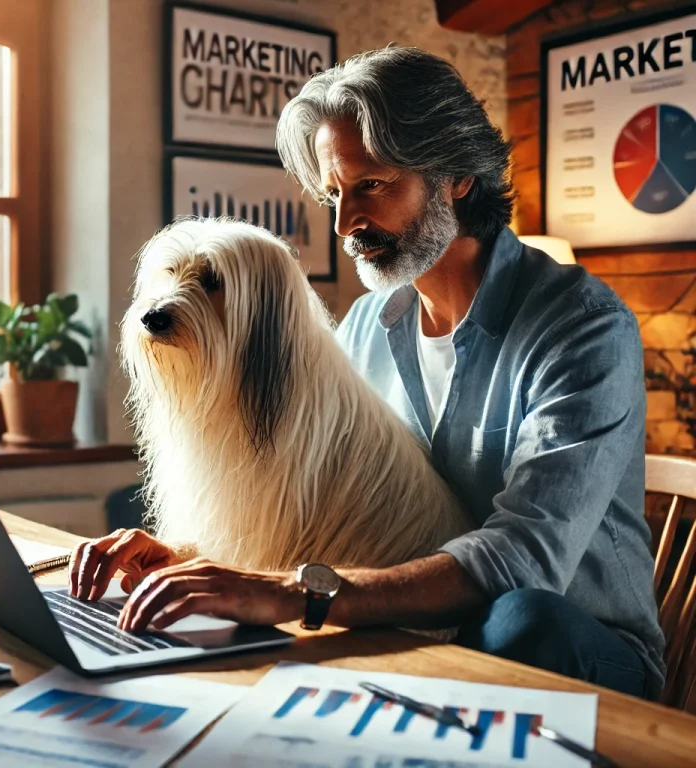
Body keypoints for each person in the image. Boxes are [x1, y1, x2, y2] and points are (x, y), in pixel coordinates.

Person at [70, 47, 665, 701]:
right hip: (420, 627)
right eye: (335, 192)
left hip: (576, 646)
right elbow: (321, 507)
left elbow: (527, 558)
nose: (346, 222)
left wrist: (290, 592)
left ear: (456, 177)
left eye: (372, 185)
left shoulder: (582, 327)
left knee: (521, 617)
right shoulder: (363, 327)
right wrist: (186, 559)